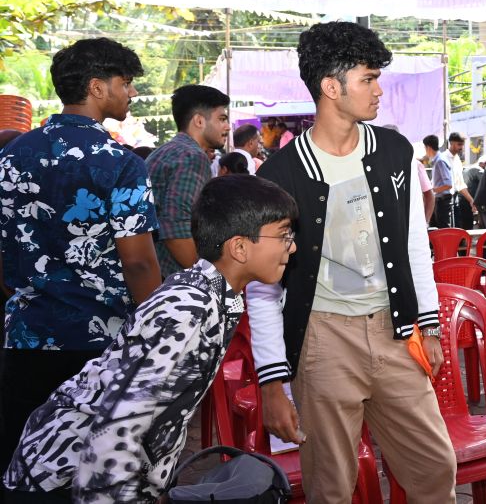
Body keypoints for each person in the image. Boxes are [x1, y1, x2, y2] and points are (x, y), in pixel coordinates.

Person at [246, 21, 454, 503]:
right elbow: (263, 287)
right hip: (322, 340)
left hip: (395, 331)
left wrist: (429, 326)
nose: (379, 90)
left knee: (434, 467)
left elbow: (414, 244)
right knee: (331, 485)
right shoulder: (279, 174)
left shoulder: (395, 152)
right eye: (368, 79)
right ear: (331, 86)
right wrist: (273, 381)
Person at [3, 175, 298, 504]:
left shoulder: (212, 294)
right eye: (284, 235)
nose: (293, 246)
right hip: (66, 476)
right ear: (239, 247)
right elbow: (116, 427)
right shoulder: (189, 309)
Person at [0, 38, 161, 501]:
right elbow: (138, 260)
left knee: (26, 469)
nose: (131, 93)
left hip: (26, 339)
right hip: (101, 347)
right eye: (125, 83)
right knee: (99, 475)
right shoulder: (120, 163)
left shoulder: (11, 155)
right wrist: (154, 331)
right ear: (97, 87)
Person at [147, 84, 231, 278]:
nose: (227, 126)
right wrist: (208, 278)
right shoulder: (192, 156)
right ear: (199, 121)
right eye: (221, 119)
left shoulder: (166, 150)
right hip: (172, 277)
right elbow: (175, 229)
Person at [430, 132, 475, 229]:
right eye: (459, 144)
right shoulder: (442, 159)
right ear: (451, 143)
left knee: (456, 228)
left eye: (462, 144)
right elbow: (435, 183)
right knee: (445, 229)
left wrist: (471, 200)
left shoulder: (457, 159)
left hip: (454, 198)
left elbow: (460, 184)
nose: (461, 147)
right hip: (442, 199)